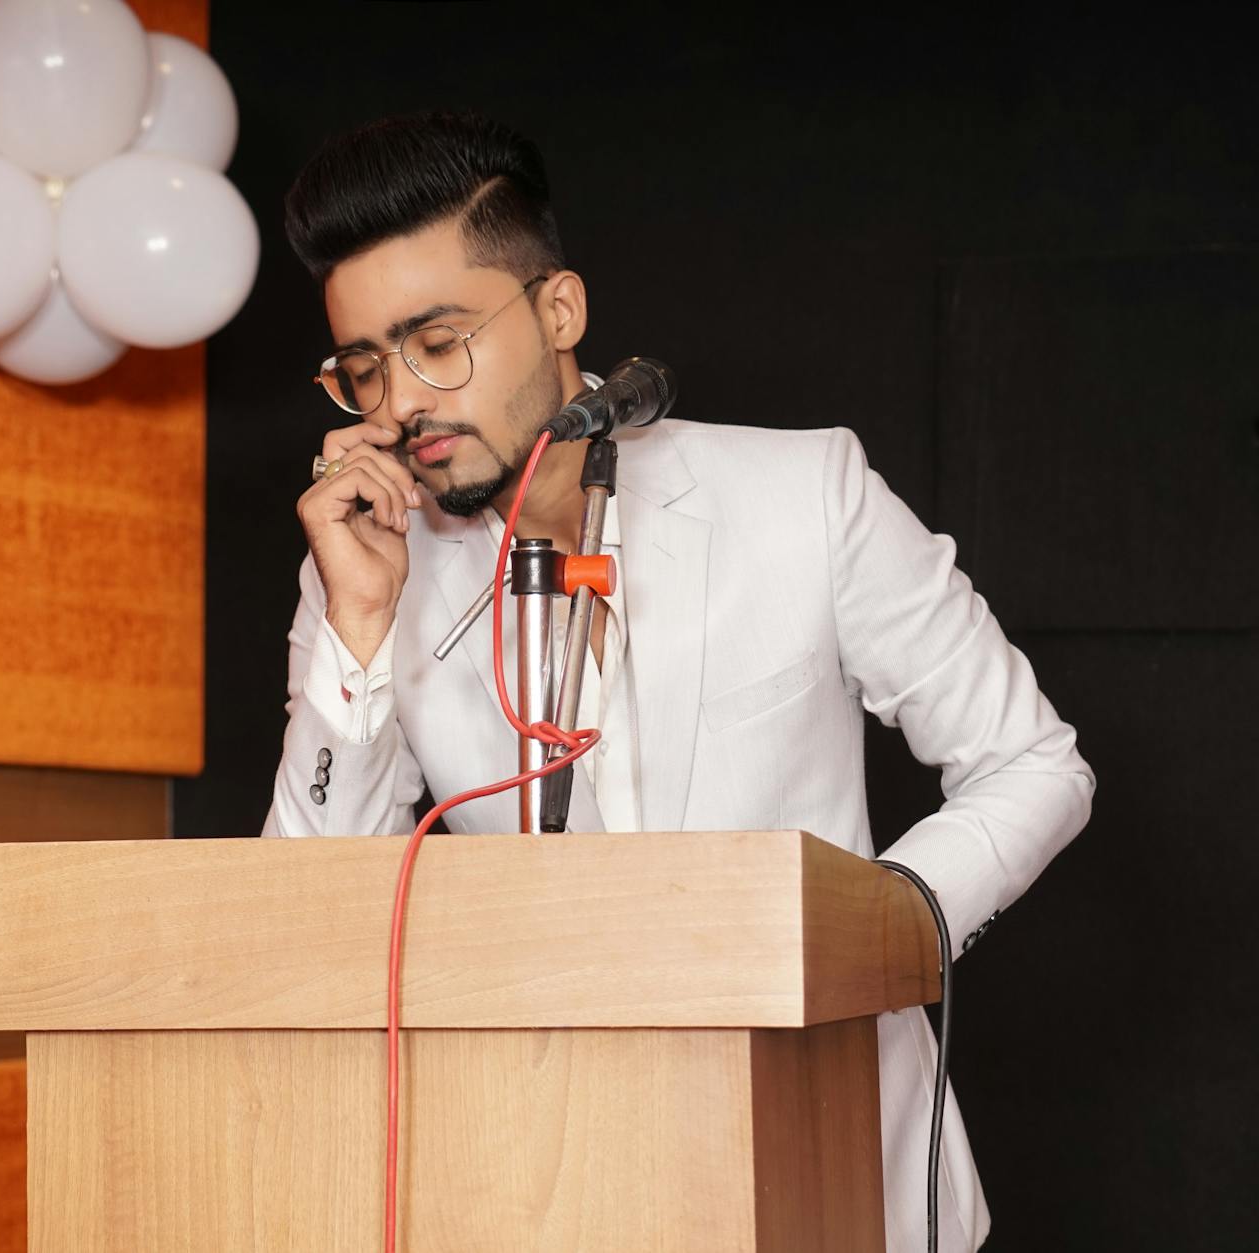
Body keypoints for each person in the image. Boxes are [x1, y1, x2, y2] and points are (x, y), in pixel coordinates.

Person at [261, 111, 1094, 1252]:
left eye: (436, 342)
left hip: (841, 1157)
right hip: (543, 1180)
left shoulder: (805, 494)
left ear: (557, 310)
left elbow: (1033, 763)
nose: (399, 402)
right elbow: (297, 917)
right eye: (363, 366)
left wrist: (858, 931)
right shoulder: (365, 568)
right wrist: (355, 634)